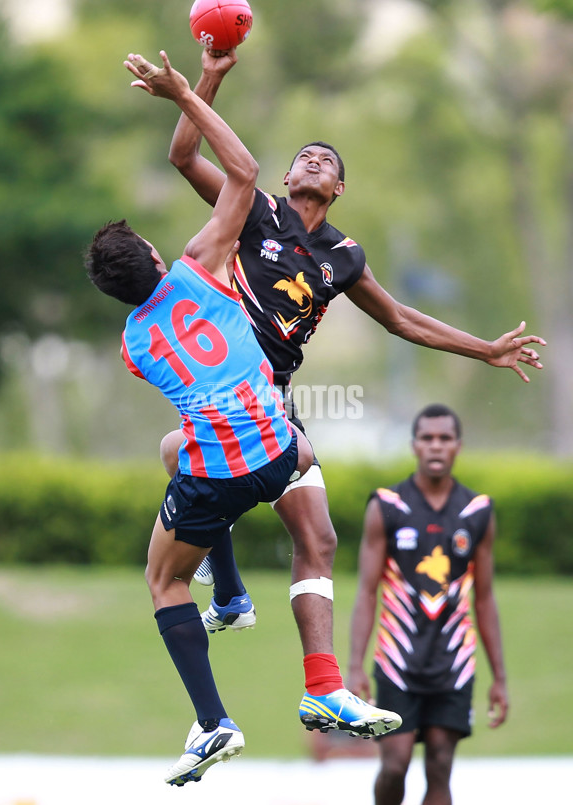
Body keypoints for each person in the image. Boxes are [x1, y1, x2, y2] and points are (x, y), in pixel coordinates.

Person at [159, 44, 543, 715]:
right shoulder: (254, 211)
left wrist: (484, 349)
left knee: (319, 538)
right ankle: (227, 593)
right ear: (285, 175)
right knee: (187, 456)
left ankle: (322, 687)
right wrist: (208, 79)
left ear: (338, 189)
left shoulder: (344, 255)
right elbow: (185, 157)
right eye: (305, 156)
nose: (314, 161)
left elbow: (399, 318)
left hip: (272, 408)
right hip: (227, 400)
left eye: (327, 162)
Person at [85, 49, 401, 787]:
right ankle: (232, 598)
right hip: (278, 441)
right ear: (161, 255)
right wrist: (190, 89)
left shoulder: (135, 343)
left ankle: (230, 700)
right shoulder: (205, 262)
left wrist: (204, 78)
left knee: (166, 571)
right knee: (204, 459)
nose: (313, 161)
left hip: (224, 453)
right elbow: (239, 170)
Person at [346, 403, 509, 805]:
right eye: (427, 438)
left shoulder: (477, 512)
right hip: (397, 660)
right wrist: (353, 666)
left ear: (458, 446)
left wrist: (500, 677)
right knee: (395, 764)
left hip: (453, 661)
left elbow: (485, 598)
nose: (436, 446)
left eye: (445, 438)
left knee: (440, 763)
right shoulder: (386, 506)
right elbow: (367, 591)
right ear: (414, 445)